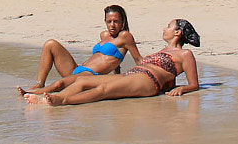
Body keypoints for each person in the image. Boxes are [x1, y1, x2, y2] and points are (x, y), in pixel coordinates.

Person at [24, 20, 200, 105]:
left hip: (148, 80)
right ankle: (48, 98)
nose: (164, 28)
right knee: (83, 81)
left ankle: (61, 101)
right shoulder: (161, 52)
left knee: (103, 90)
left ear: (177, 33)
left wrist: (181, 89)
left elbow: (194, 84)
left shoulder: (185, 54)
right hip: (133, 75)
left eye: (169, 26)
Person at [19, 5, 141, 95]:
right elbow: (113, 59)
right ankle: (40, 83)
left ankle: (32, 93)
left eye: (116, 21)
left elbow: (138, 60)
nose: (112, 25)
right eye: (109, 22)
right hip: (77, 69)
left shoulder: (125, 36)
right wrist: (117, 72)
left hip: (91, 76)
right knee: (50, 44)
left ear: (122, 22)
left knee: (59, 84)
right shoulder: (104, 35)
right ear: (105, 21)